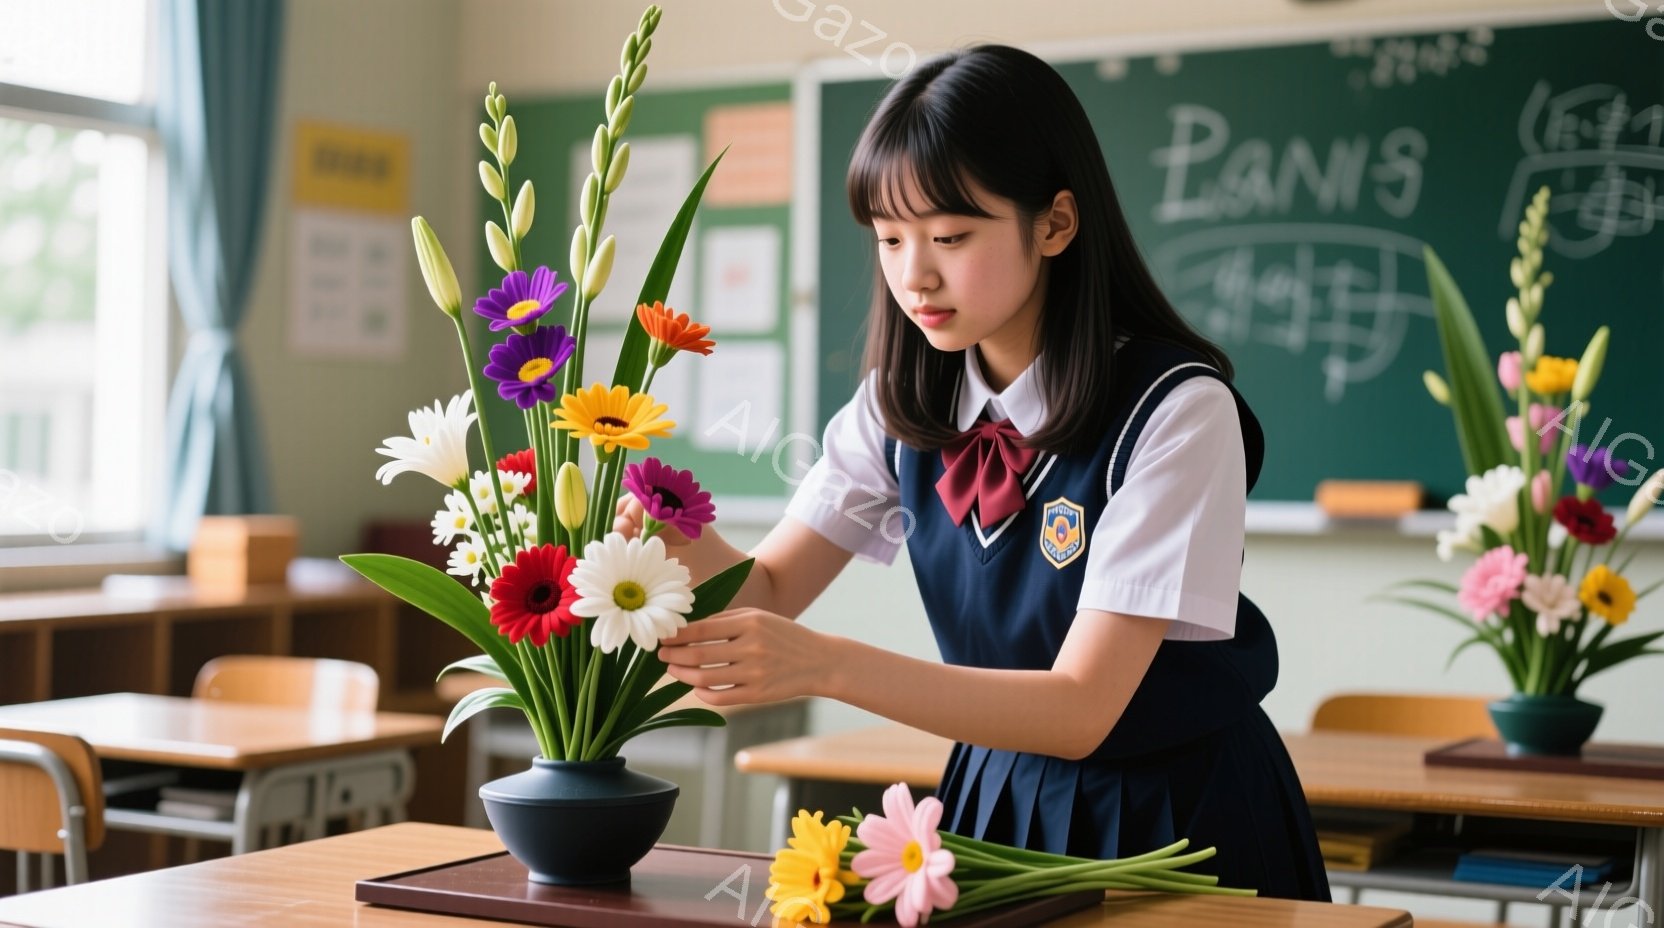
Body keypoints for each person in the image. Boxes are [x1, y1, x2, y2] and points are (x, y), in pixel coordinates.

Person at [616, 44, 1331, 902]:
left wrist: (826, 667)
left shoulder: (1177, 409)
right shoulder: (897, 402)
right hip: (992, 806)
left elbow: (1081, 707)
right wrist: (671, 544)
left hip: (1175, 821)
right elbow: (766, 591)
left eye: (951, 236)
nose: (914, 274)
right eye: (889, 238)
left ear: (1056, 224)